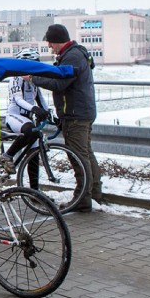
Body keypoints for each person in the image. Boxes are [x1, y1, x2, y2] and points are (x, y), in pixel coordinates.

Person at [32, 24, 101, 212]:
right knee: (86, 153)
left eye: (50, 42)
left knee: (78, 156)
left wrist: (34, 79)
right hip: (82, 112)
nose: (49, 47)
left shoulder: (71, 57)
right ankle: (94, 193)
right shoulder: (76, 54)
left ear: (56, 40)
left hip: (76, 115)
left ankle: (83, 198)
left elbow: (58, 84)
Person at [2, 47, 52, 175]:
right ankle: (7, 156)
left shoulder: (33, 80)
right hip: (14, 117)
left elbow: (41, 100)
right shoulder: (15, 78)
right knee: (31, 130)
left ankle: (33, 190)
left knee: (33, 156)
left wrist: (52, 117)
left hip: (27, 118)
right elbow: (18, 99)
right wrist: (34, 108)